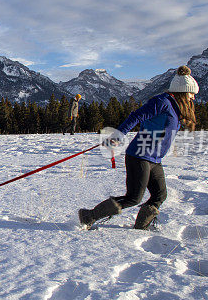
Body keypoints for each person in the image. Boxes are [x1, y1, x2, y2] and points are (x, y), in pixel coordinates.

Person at [78, 66, 198, 230]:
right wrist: (118, 135)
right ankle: (89, 216)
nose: (193, 97)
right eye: (191, 93)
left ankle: (142, 227)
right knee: (134, 198)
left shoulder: (176, 108)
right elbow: (137, 115)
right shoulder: (162, 102)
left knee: (160, 195)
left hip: (155, 159)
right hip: (139, 156)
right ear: (183, 92)